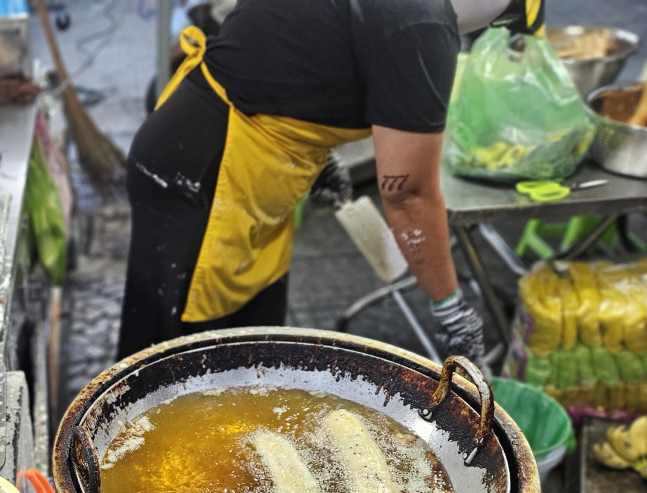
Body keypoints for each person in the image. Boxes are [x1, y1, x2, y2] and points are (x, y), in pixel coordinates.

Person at [117, 0, 545, 361]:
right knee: (174, 369)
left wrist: (313, 145)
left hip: (252, 168)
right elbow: (408, 196)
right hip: (204, 175)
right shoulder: (420, 22)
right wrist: (450, 308)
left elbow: (292, 37)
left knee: (248, 355)